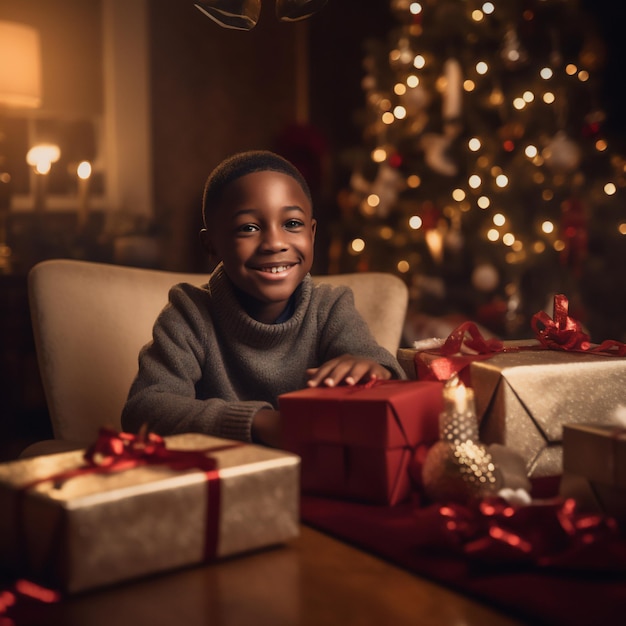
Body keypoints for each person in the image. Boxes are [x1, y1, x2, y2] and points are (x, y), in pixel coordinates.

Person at [121, 150, 406, 447]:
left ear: (312, 233)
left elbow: (385, 375)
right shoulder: (189, 314)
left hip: (315, 479)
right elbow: (144, 410)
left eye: (292, 224)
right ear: (211, 245)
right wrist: (261, 423)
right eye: (249, 228)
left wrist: (376, 373)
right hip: (222, 478)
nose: (274, 243)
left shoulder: (330, 308)